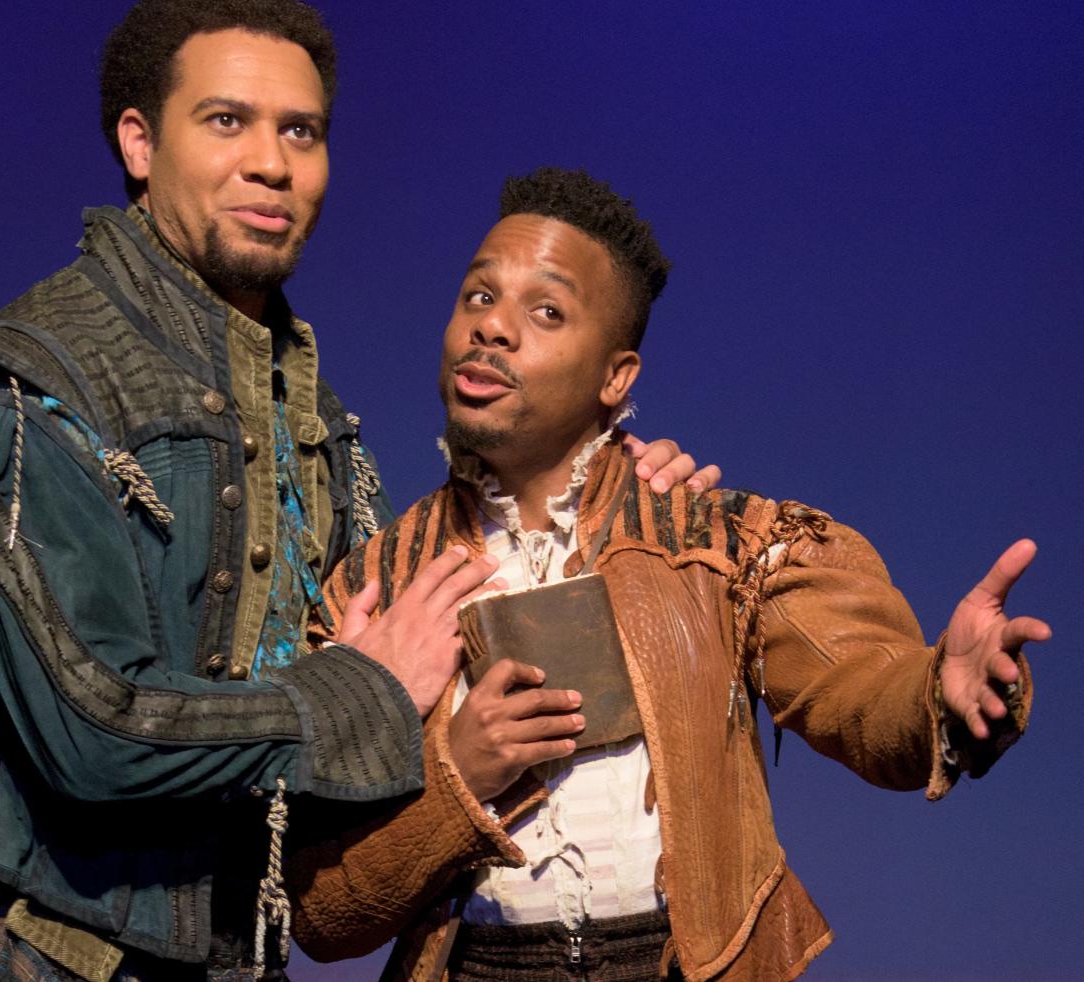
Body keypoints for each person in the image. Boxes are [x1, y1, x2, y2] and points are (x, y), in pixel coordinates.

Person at [0, 0, 711, 982]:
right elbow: (96, 735)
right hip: (38, 956)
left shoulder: (313, 424)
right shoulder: (31, 379)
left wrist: (603, 468)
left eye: (301, 132)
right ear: (141, 145)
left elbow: (358, 698)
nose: (272, 164)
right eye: (228, 121)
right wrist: (362, 691)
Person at [287, 168, 1050, 981]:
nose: (494, 330)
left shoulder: (715, 541)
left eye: (546, 311)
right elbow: (324, 914)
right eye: (479, 297)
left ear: (617, 377)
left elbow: (855, 683)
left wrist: (943, 691)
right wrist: (459, 777)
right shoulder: (379, 588)